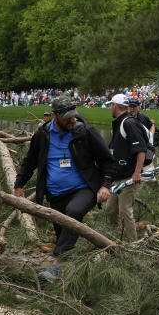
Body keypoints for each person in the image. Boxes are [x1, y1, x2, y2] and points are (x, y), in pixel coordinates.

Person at [13, 94, 114, 258]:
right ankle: (67, 272)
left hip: (84, 189)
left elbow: (107, 161)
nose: (72, 120)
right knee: (63, 236)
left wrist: (105, 185)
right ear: (55, 116)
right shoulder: (42, 135)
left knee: (73, 213)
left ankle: (57, 261)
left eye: (73, 115)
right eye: (67, 117)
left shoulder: (85, 133)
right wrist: (18, 185)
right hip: (56, 194)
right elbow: (29, 162)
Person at [106, 94, 148, 240]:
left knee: (125, 212)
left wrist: (137, 173)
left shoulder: (129, 123)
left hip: (129, 176)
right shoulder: (119, 123)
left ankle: (132, 247)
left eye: (111, 105)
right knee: (110, 210)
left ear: (115, 106)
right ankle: (117, 239)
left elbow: (141, 149)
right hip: (117, 176)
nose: (110, 108)